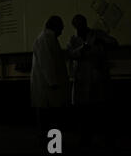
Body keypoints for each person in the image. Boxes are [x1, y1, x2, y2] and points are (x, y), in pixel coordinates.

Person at [67, 14, 118, 146]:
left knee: (101, 109)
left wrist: (102, 42)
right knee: (84, 111)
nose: (79, 28)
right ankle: (85, 137)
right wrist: (82, 49)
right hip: (82, 81)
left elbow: (114, 42)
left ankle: (107, 138)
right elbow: (71, 54)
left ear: (85, 23)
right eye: (77, 26)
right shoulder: (73, 40)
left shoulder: (98, 34)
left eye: (81, 25)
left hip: (98, 79)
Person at [30, 16, 69, 146]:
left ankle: (49, 142)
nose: (62, 32)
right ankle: (52, 144)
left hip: (47, 86)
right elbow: (47, 63)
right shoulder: (46, 39)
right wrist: (53, 82)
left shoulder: (46, 38)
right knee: (50, 116)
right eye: (61, 28)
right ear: (55, 27)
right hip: (48, 87)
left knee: (47, 116)